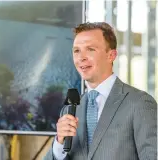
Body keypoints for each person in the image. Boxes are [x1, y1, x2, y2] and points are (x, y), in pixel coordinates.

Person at [44, 22, 157, 160]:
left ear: (111, 55)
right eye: (76, 50)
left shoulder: (140, 103)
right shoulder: (69, 111)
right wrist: (58, 144)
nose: (81, 57)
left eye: (90, 49)